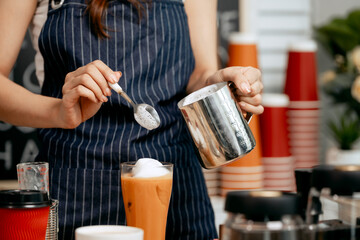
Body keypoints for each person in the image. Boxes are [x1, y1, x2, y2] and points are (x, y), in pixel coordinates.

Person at [0, 0, 264, 239]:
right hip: (76, 189)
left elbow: (201, 72)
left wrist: (216, 87)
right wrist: (58, 112)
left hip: (177, 194)